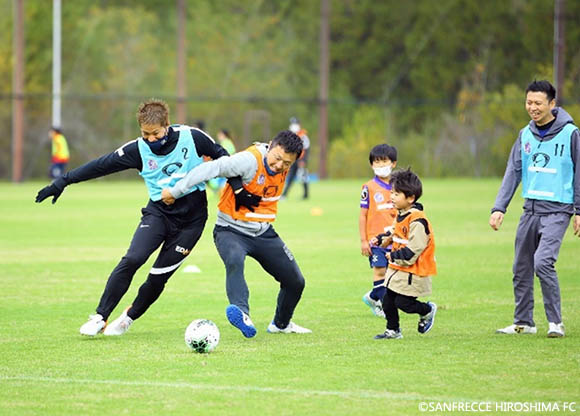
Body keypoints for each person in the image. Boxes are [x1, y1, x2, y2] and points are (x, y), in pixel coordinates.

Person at [35, 99, 258, 337]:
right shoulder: (137, 149)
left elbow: (224, 158)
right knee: (133, 258)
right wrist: (63, 181)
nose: (151, 139)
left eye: (155, 133)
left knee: (157, 277)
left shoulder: (192, 137)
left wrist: (236, 188)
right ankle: (100, 317)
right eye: (145, 134)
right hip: (158, 214)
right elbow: (101, 165)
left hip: (192, 221)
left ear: (167, 125)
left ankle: (128, 318)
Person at [161, 130, 311, 338]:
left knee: (296, 281)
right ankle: (242, 313)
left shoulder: (282, 165)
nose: (280, 166)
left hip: (263, 232)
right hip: (230, 230)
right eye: (277, 159)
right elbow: (210, 168)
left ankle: (281, 324)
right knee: (234, 260)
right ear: (270, 146)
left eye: (287, 164)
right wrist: (175, 191)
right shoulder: (249, 160)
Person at [490, 80, 580, 338]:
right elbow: (513, 172)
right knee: (521, 267)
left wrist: (579, 211)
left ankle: (555, 323)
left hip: (558, 211)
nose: (533, 107)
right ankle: (524, 322)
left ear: (552, 104)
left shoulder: (571, 134)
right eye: (529, 102)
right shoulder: (524, 134)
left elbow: (579, 174)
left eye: (538, 103)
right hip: (529, 211)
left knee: (543, 262)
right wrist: (500, 207)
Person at [373, 168, 437, 340]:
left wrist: (393, 256)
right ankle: (393, 330)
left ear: (410, 198)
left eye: (397, 194)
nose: (392, 197)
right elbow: (394, 233)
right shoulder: (401, 214)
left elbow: (415, 249)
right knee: (387, 300)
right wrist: (381, 239)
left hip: (413, 271)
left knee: (403, 303)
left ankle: (427, 310)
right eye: (392, 193)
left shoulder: (417, 220)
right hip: (398, 269)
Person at [359, 144, 398, 318]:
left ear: (393, 163)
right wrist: (364, 240)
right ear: (371, 165)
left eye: (384, 162)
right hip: (376, 240)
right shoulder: (369, 187)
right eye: (377, 162)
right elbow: (363, 215)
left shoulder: (400, 186)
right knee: (380, 271)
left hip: (397, 239)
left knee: (394, 275)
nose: (381, 166)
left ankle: (373, 296)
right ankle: (385, 306)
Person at [282, 117, 310, 200]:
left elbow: (306, 149)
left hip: (301, 160)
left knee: (303, 177)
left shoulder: (303, 136)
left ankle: (306, 195)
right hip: (292, 160)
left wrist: (303, 160)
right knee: (290, 177)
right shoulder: (290, 136)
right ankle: (284, 195)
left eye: (295, 124)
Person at [207, 129, 236, 193]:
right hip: (228, 167)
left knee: (217, 185)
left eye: (220, 135)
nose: (218, 136)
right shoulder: (230, 143)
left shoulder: (225, 143)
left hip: (223, 167)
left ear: (223, 135)